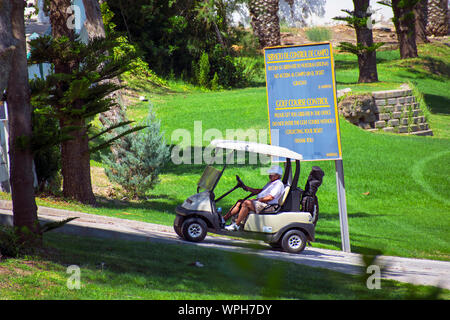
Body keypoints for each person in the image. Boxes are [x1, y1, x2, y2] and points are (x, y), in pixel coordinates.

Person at [223, 165, 285, 231]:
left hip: (268, 206)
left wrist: (257, 200)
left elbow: (270, 197)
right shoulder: (271, 183)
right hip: (263, 203)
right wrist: (247, 188)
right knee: (240, 202)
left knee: (246, 203)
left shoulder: (278, 184)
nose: (270, 175)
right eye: (270, 173)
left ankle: (236, 225)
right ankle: (223, 219)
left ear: (278, 175)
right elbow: (260, 191)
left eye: (272, 174)